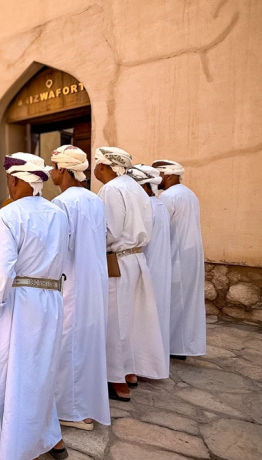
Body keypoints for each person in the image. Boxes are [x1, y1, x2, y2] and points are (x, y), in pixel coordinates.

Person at [0, 153, 70, 460]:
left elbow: (1, 273)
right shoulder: (58, 213)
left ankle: (16, 447)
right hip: (51, 301)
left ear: (15, 180)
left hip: (19, 305)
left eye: (8, 180)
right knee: (41, 372)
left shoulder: (7, 216)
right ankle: (50, 438)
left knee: (11, 374)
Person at [94, 147, 167, 402]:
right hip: (136, 258)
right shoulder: (135, 187)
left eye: (97, 163)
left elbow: (110, 231)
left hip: (118, 260)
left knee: (114, 319)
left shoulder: (111, 189)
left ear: (103, 166)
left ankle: (115, 379)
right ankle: (129, 372)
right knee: (131, 318)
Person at [49, 145, 110, 431]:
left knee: (68, 344)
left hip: (71, 282)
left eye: (53, 167)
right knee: (87, 342)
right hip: (94, 281)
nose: (50, 173)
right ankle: (86, 405)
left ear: (63, 170)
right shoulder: (94, 199)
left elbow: (58, 249)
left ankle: (72, 411)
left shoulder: (62, 203)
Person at [153, 159, 206, 359]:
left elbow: (159, 226)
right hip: (189, 255)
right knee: (186, 303)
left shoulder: (168, 196)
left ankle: (172, 347)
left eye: (158, 174)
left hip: (176, 254)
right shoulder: (189, 193)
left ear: (168, 175)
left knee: (173, 301)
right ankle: (181, 347)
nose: (155, 178)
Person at [129, 165, 171, 369]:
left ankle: (142, 365)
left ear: (146, 186)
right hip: (156, 266)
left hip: (148, 266)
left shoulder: (149, 206)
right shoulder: (159, 205)